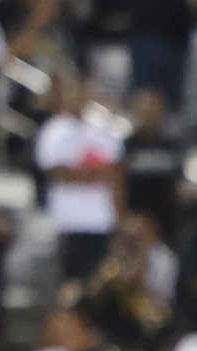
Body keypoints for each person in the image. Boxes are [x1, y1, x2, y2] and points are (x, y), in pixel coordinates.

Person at [34, 72, 127, 284]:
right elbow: (62, 174)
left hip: (102, 223)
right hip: (69, 222)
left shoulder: (105, 129)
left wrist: (119, 220)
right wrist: (99, 173)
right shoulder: (54, 131)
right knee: (71, 286)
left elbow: (117, 177)